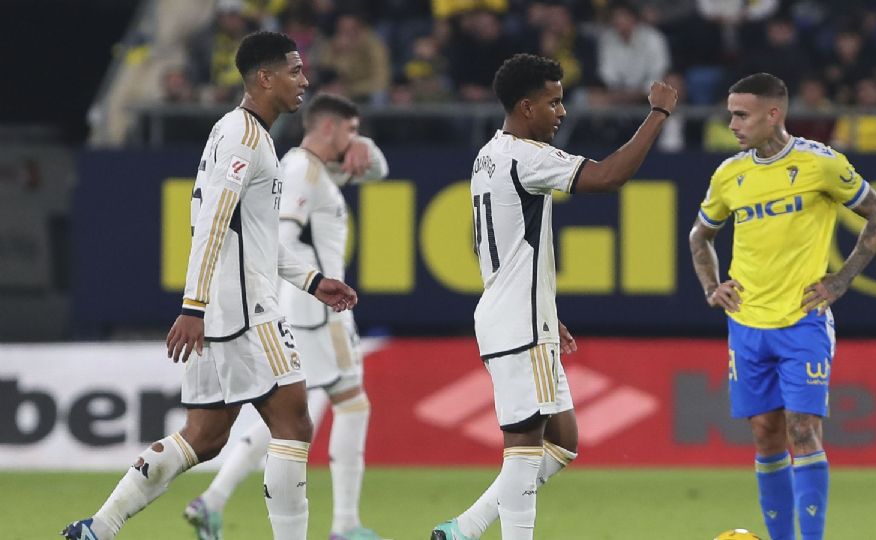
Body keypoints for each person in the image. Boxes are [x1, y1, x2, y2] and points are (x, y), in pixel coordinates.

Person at [61, 31, 359, 540]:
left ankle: (99, 527)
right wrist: (192, 306)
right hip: (245, 309)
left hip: (224, 306)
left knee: (204, 437)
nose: (304, 80)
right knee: (294, 423)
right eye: (294, 70)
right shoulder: (245, 138)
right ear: (264, 78)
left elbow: (252, 235)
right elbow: (214, 223)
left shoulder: (238, 132)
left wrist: (311, 280)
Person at [431, 53, 677, 540]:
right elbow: (609, 177)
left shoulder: (489, 154)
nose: (562, 112)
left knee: (561, 443)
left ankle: (464, 528)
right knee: (523, 446)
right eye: (554, 102)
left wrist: (546, 311)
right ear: (526, 107)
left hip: (518, 312)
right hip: (517, 320)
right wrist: (659, 114)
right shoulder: (527, 156)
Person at [688, 73, 876, 540]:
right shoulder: (729, 174)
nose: (732, 123)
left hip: (803, 320)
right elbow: (701, 235)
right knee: (765, 431)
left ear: (773, 114)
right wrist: (710, 286)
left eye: (741, 114)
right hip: (746, 322)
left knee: (803, 430)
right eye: (731, 113)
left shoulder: (821, 164)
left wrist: (840, 280)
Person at [184, 92, 388, 540]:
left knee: (295, 414)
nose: (354, 139)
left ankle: (212, 500)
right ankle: (345, 526)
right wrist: (314, 286)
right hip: (318, 312)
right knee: (333, 410)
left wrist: (364, 147)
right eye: (351, 130)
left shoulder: (320, 169)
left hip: (311, 309)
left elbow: (379, 171)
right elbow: (283, 238)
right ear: (329, 128)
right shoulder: (300, 171)